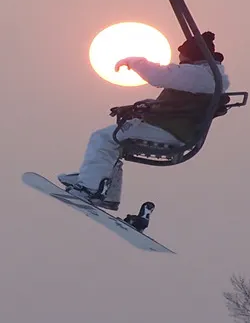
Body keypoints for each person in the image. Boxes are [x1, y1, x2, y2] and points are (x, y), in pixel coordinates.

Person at [57, 31, 230, 220]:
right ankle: (96, 181)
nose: (180, 62)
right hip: (171, 126)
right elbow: (177, 104)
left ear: (191, 56)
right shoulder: (207, 77)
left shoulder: (199, 75)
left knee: (104, 138)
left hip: (169, 131)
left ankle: (89, 188)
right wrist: (140, 107)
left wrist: (134, 62)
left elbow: (159, 76)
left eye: (182, 57)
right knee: (111, 138)